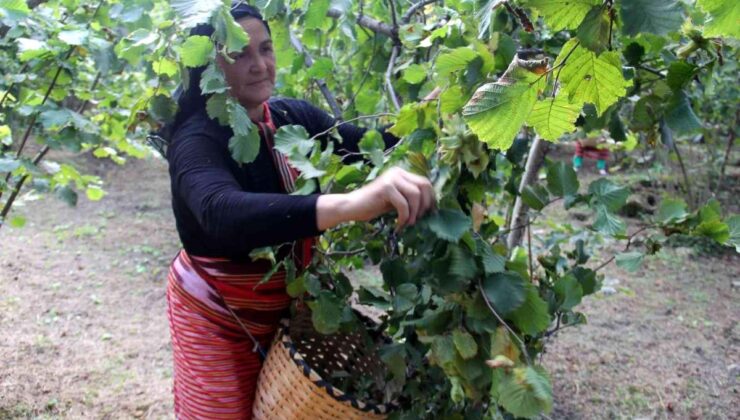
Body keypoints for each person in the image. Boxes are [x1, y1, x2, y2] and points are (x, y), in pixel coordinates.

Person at [164, 4, 436, 418]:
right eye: (240, 54)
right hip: (216, 311)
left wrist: (434, 114)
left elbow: (370, 146)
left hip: (285, 304)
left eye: (267, 49)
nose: (260, 65)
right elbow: (222, 212)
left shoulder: (292, 117)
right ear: (209, 66)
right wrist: (349, 205)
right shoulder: (195, 137)